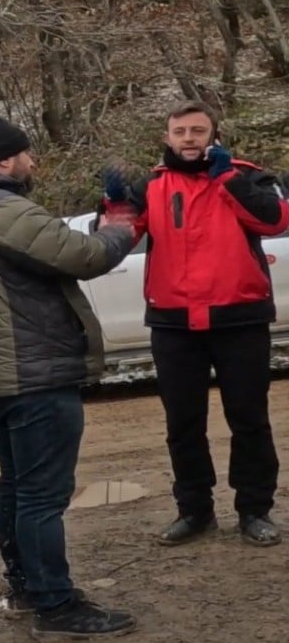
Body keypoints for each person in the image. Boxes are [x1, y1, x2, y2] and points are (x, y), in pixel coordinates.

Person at [0, 116, 137, 639]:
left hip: (3, 375)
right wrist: (122, 221)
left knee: (20, 488)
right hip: (37, 372)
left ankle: (27, 587)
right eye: (26, 153)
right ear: (3, 159)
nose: (32, 163)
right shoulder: (0, 206)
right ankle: (56, 604)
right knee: (44, 496)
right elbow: (84, 257)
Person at [110, 100, 289, 547]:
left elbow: (275, 220)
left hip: (239, 318)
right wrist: (113, 203)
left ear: (214, 135)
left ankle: (254, 509)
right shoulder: (150, 186)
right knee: (182, 423)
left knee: (249, 419)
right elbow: (115, 238)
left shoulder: (247, 176)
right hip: (173, 322)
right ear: (167, 138)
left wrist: (227, 178)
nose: (189, 139)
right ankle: (194, 510)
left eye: (198, 131)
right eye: (180, 131)